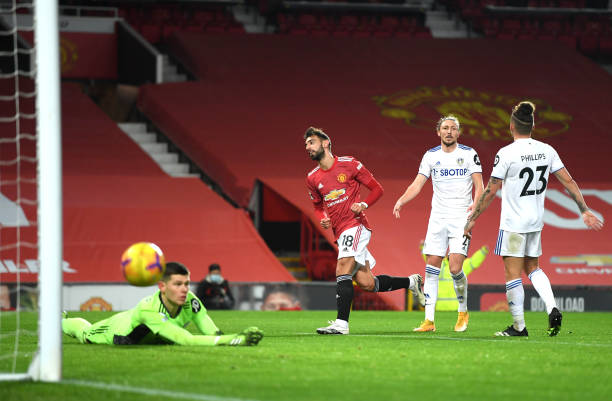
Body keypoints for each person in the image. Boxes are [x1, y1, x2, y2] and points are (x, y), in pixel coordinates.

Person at [464, 101, 603, 337]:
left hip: (514, 225)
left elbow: (491, 190)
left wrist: (472, 218)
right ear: (532, 126)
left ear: (511, 126)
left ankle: (519, 327)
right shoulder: (547, 150)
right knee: (533, 268)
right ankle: (553, 307)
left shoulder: (506, 153)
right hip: (535, 222)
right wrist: (584, 209)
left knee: (512, 273)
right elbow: (568, 181)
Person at [304, 126, 425, 335]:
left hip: (356, 225)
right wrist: (323, 218)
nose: (307, 147)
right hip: (340, 232)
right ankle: (411, 282)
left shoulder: (349, 164)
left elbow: (378, 188)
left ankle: (341, 324)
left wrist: (364, 205)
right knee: (367, 283)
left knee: (342, 268)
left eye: (311, 142)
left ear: (325, 143)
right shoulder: (312, 178)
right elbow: (317, 207)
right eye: (306, 144)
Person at [393, 115, 484, 332]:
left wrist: (474, 214)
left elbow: (480, 186)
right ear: (438, 132)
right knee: (431, 265)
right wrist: (402, 200)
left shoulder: (469, 154)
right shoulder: (430, 156)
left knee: (454, 268)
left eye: (453, 128)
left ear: (458, 133)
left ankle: (462, 311)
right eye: (445, 128)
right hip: (438, 218)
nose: (449, 131)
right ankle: (429, 321)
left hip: (461, 217)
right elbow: (418, 184)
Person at [62, 261, 263, 346]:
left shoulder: (190, 301)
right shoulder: (148, 310)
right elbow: (186, 340)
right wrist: (234, 340)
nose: (184, 289)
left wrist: (227, 338)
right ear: (162, 287)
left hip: (154, 334)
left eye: (186, 283)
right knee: (85, 334)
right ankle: (59, 321)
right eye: (177, 284)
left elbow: (210, 329)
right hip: (117, 332)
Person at [418, 240, 489, 311]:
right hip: (450, 308)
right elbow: (473, 262)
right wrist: (482, 252)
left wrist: (482, 252)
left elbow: (473, 261)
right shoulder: (459, 266)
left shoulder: (440, 265)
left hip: (442, 308)